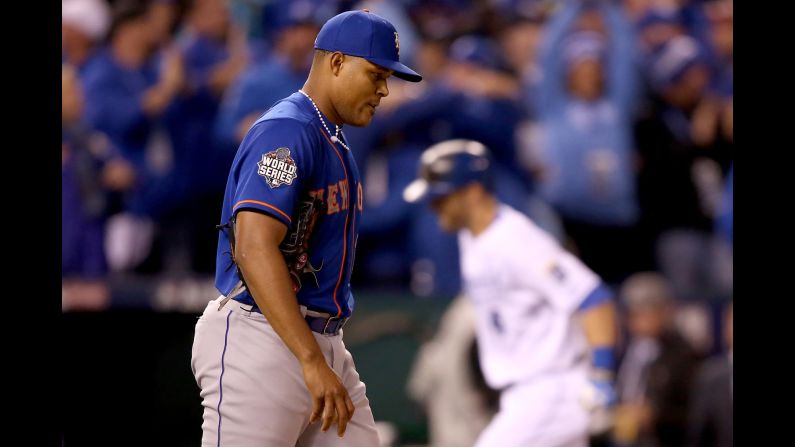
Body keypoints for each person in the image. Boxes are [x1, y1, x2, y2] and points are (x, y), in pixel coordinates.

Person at [190, 10, 422, 446]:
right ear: (336, 62)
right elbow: (253, 248)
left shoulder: (329, 135)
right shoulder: (288, 129)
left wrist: (320, 358)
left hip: (317, 340)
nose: (384, 89)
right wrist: (311, 360)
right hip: (263, 339)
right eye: (375, 74)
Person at [404, 139, 619, 447]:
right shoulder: (473, 238)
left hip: (551, 390)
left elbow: (592, 296)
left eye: (442, 197)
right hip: (525, 394)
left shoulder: (515, 239)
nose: (434, 206)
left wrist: (602, 374)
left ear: (474, 192)